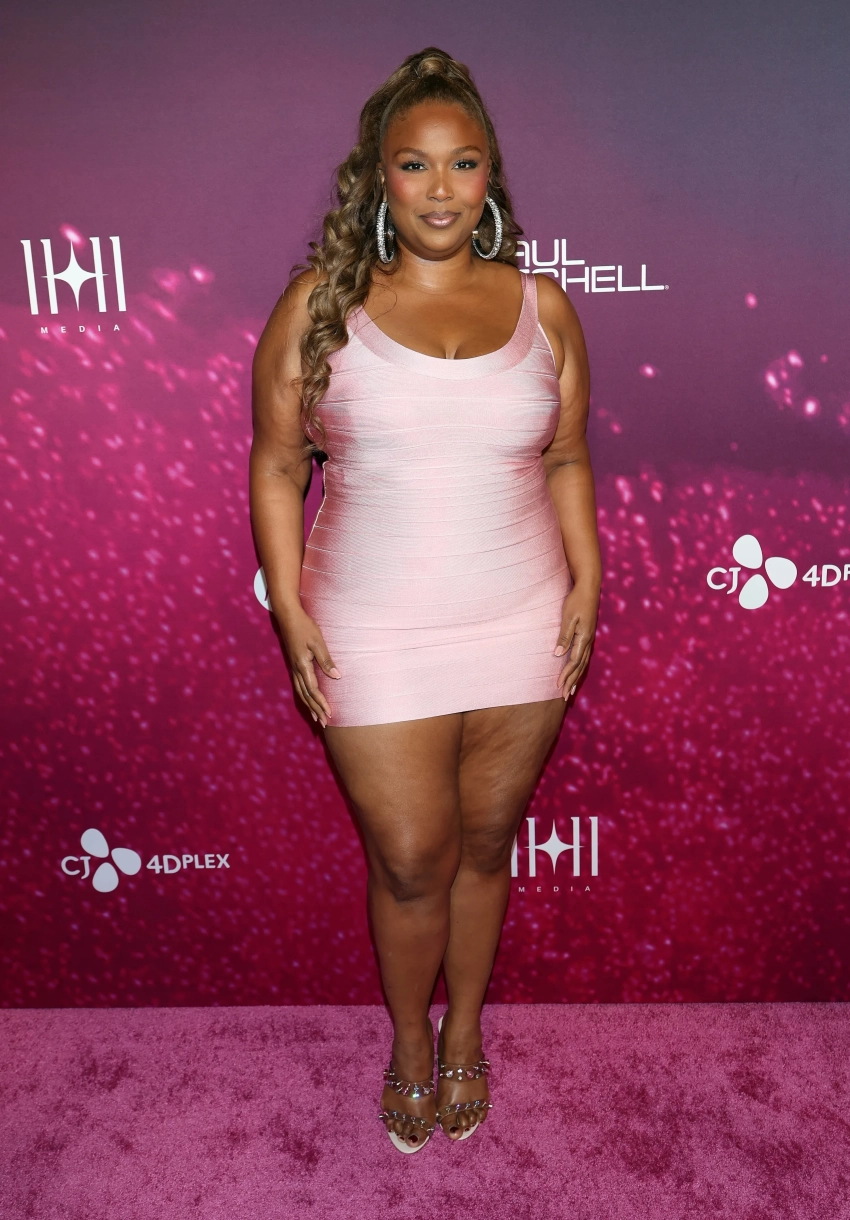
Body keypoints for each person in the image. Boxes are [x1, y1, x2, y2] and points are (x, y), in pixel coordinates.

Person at [249, 47, 601, 1154]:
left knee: (487, 846)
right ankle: (409, 1041)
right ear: (380, 177)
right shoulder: (320, 304)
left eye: (462, 162)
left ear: (490, 173)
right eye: (414, 163)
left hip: (522, 617)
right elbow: (276, 463)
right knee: (411, 858)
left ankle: (466, 1035)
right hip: (372, 627)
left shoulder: (543, 306)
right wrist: (290, 610)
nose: (440, 188)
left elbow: (566, 456)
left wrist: (590, 576)